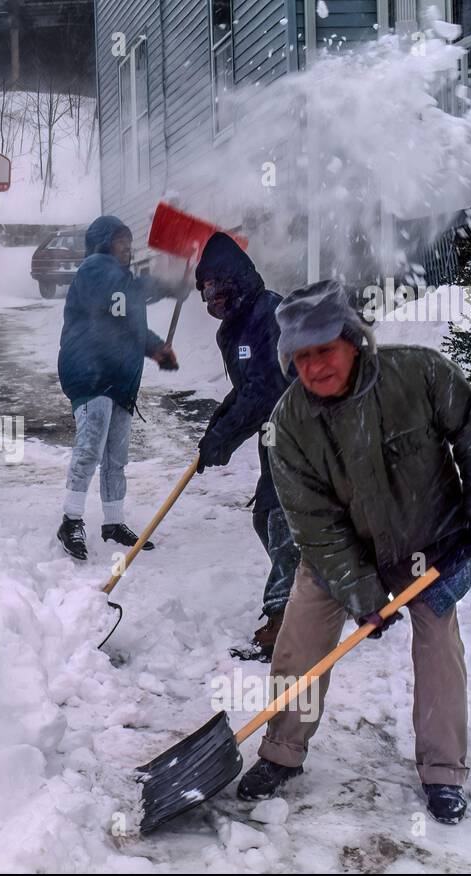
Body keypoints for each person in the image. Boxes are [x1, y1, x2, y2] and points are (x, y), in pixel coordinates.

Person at [238, 280, 471, 824]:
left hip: (430, 540)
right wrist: (362, 592)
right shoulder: (290, 424)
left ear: (353, 340)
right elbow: (312, 521)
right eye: (302, 356)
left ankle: (443, 771)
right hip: (340, 551)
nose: (315, 366)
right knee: (301, 641)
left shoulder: (419, 373)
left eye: (325, 350)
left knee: (438, 648)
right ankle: (282, 752)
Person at [193, 232, 298, 662]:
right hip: (276, 431)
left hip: (302, 428)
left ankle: (283, 620)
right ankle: (317, 589)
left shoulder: (268, 315)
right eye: (205, 292)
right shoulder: (236, 326)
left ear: (236, 280)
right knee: (265, 517)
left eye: (217, 287)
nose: (212, 299)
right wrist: (218, 425)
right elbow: (246, 389)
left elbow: (265, 388)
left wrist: (226, 439)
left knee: (279, 519)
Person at [55, 215, 184, 560]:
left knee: (116, 457)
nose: (127, 247)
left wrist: (157, 349)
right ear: (102, 244)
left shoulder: (122, 282)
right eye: (119, 241)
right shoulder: (95, 270)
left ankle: (113, 523)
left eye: (129, 241)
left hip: (119, 378)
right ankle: (70, 520)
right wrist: (164, 283)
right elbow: (121, 296)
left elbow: (131, 326)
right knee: (90, 450)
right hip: (91, 372)